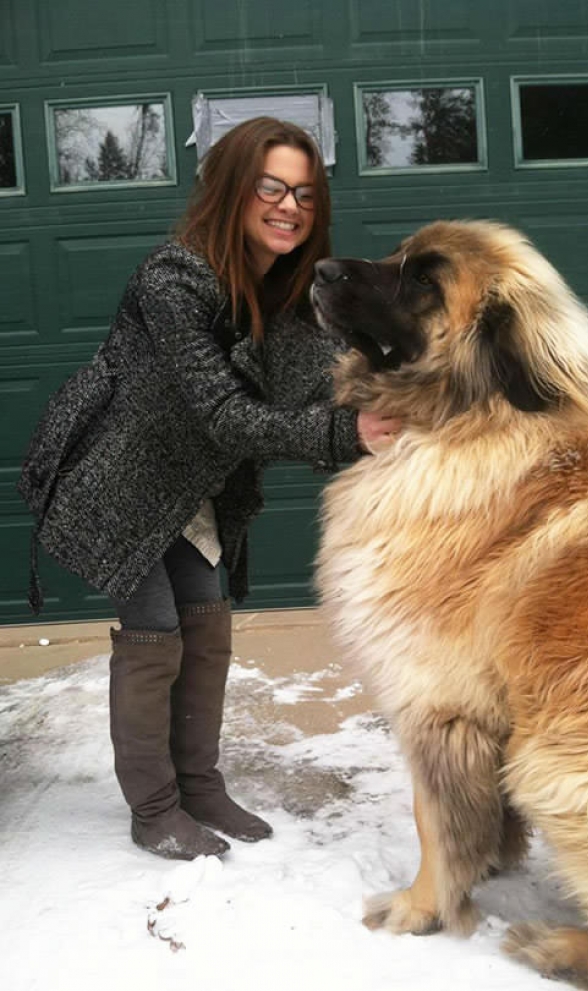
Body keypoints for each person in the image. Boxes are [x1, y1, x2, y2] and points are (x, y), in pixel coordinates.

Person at [17, 117, 400, 861]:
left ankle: (199, 783)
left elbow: (331, 372)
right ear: (232, 189)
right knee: (156, 627)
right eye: (271, 187)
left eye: (305, 193)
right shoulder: (173, 279)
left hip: (190, 488)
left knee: (207, 619)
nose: (290, 205)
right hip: (120, 479)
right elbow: (226, 416)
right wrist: (345, 435)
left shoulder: (281, 291)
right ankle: (154, 808)